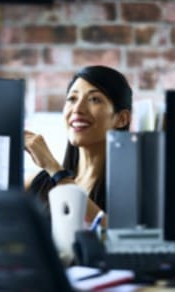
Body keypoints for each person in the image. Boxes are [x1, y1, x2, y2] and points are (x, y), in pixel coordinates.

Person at [24, 65, 132, 227]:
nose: (78, 109)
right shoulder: (36, 184)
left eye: (94, 99)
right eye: (72, 99)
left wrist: (54, 169)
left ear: (121, 119)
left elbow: (117, 237)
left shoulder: (131, 191)